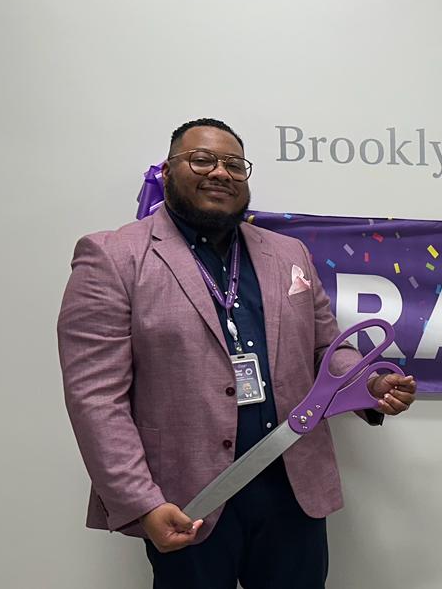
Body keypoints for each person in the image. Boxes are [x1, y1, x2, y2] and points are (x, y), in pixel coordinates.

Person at [57, 118, 416, 588]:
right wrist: (142, 501)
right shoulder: (112, 256)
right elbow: (95, 398)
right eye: (202, 160)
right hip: (188, 496)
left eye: (234, 164)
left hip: (294, 487)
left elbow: (326, 348)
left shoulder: (290, 254)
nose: (220, 173)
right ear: (167, 171)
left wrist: (369, 385)